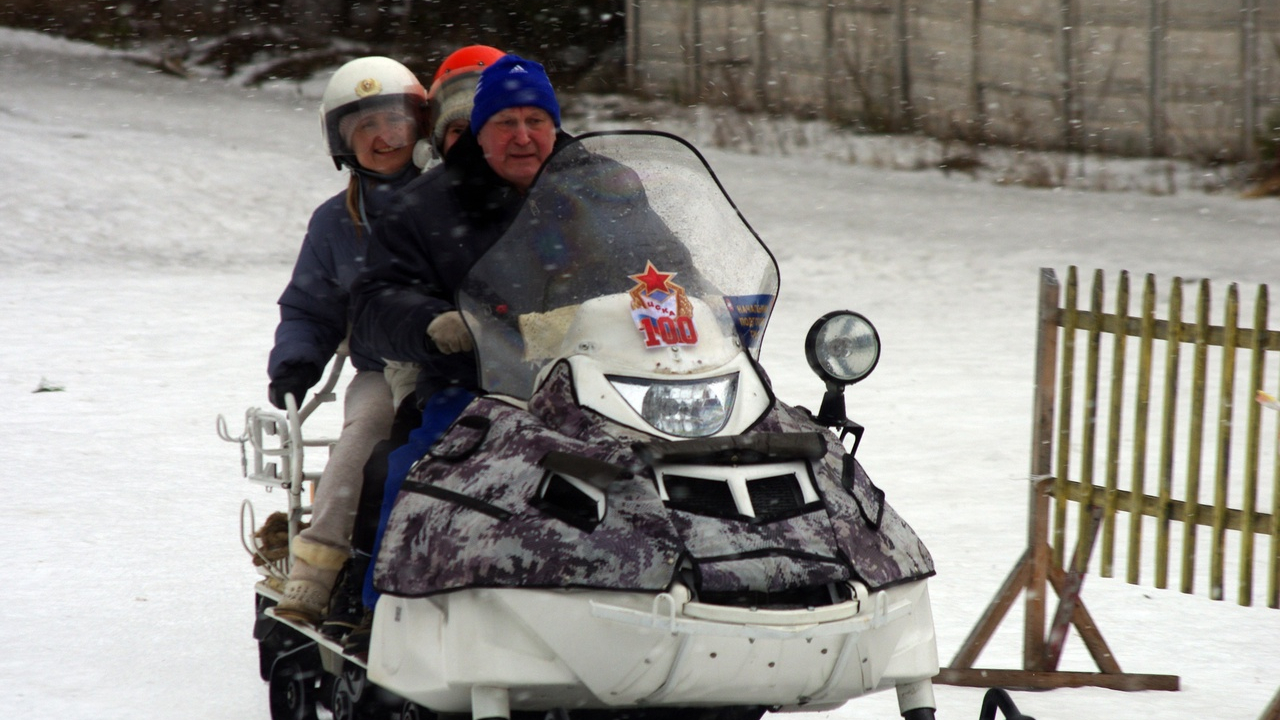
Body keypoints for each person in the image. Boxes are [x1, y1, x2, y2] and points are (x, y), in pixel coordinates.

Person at [342, 53, 571, 647]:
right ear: (478, 132)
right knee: (411, 472)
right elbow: (374, 306)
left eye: (536, 121)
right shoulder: (424, 206)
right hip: (474, 388)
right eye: (505, 123)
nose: (523, 136)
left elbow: (665, 264)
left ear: (555, 125)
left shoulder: (594, 187)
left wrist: (707, 306)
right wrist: (432, 322)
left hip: (603, 383)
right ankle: (383, 618)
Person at [266, 55, 429, 625]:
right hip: (385, 368)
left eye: (396, 120)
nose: (386, 136)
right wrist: (296, 360)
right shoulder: (337, 222)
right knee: (366, 435)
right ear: (342, 143)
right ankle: (316, 570)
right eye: (366, 126)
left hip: (475, 363)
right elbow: (309, 308)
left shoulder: (457, 198)